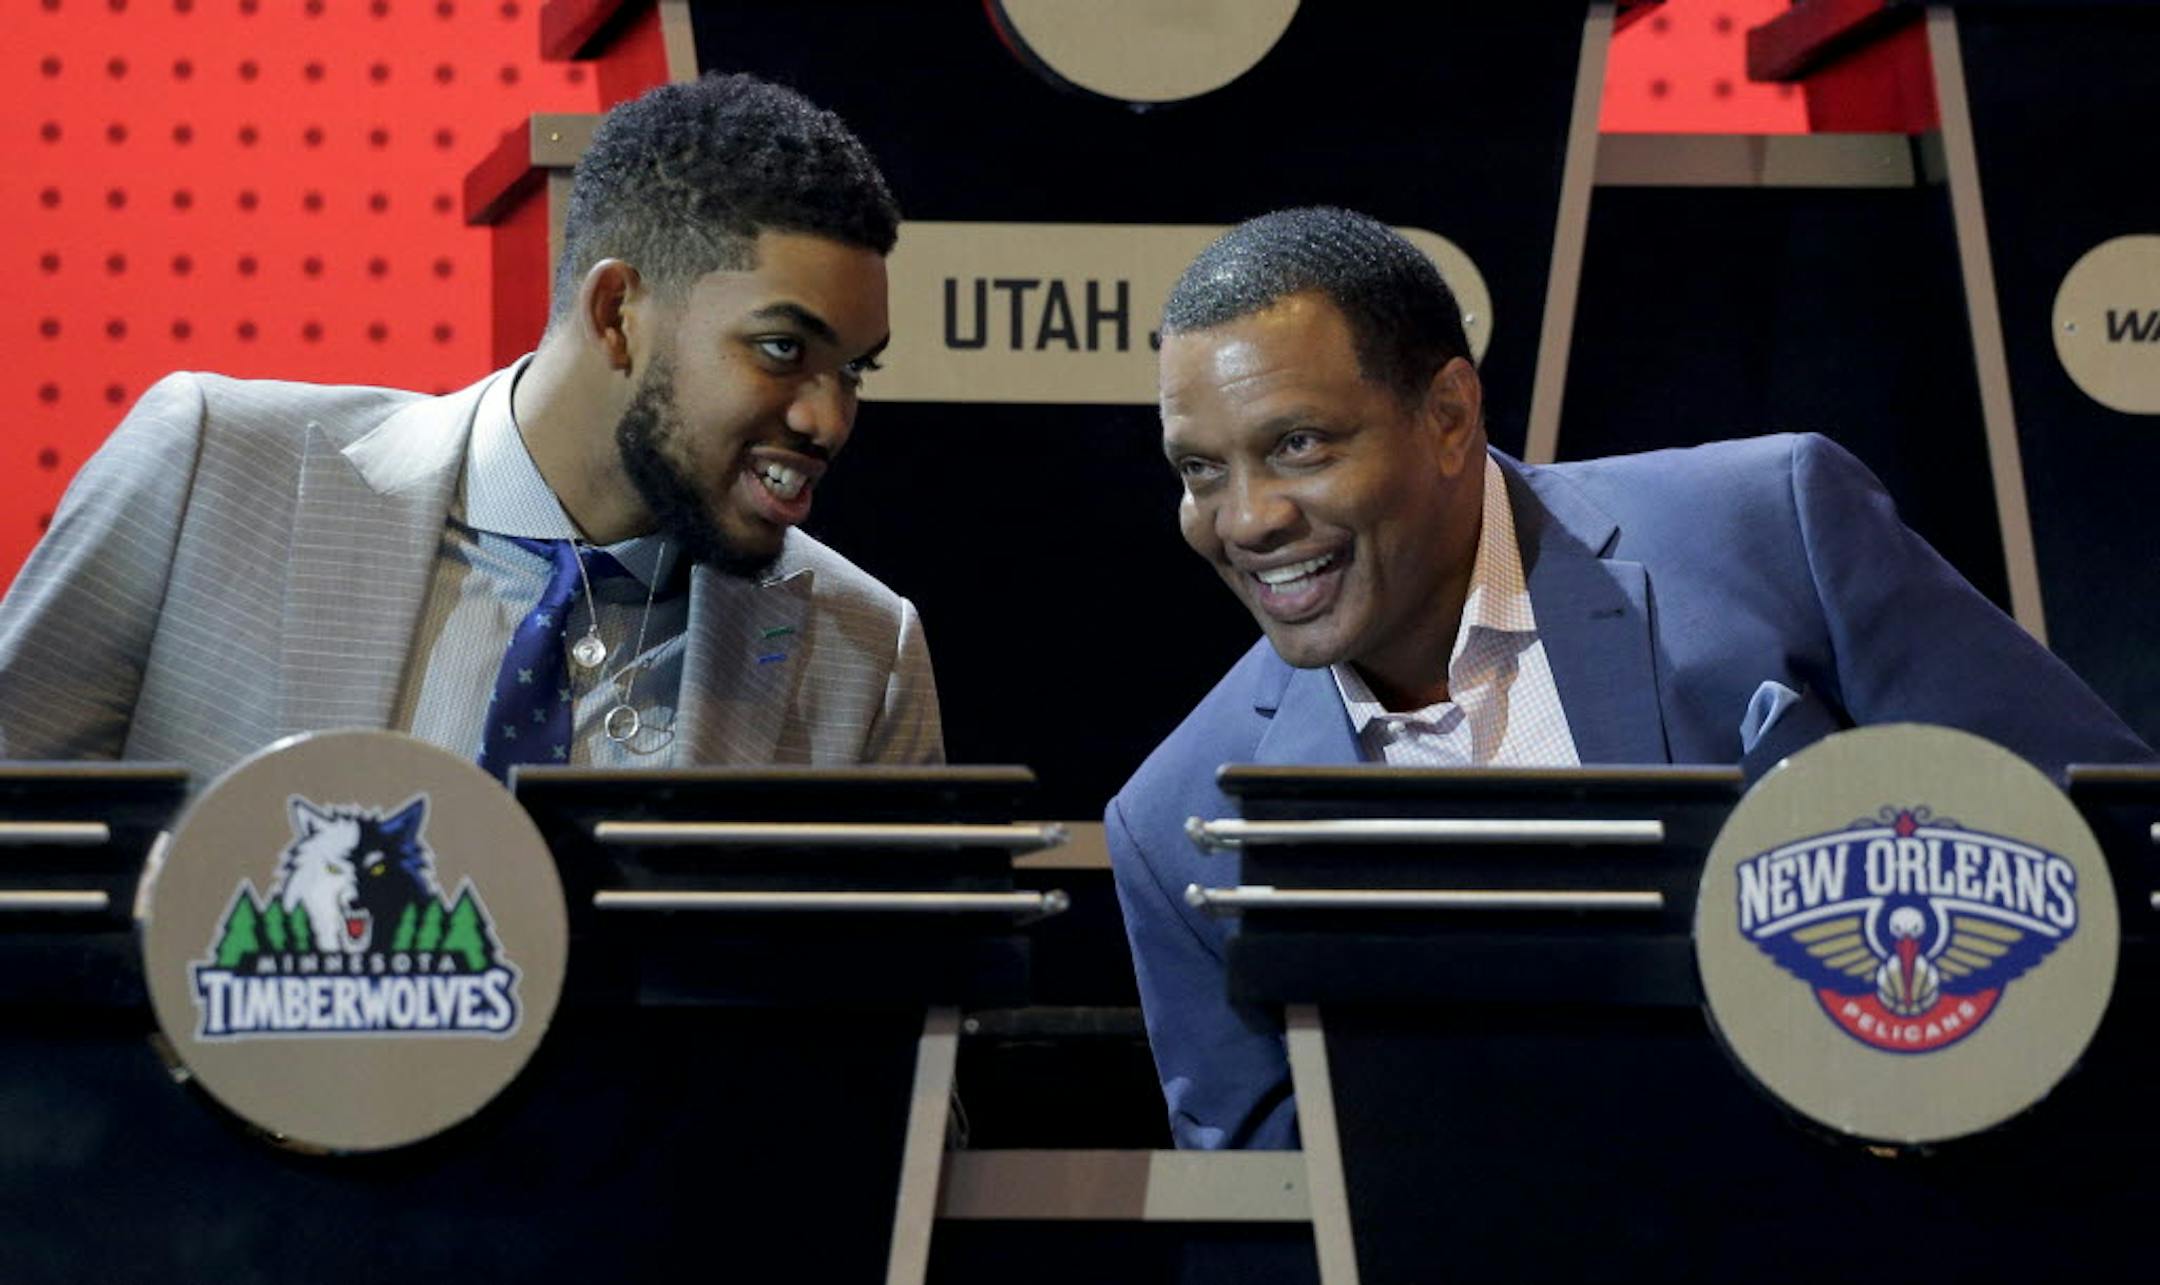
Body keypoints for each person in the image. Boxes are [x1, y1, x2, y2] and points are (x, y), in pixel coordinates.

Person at [1106, 206, 2155, 1150]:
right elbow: (1280, 1214)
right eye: (1201, 469)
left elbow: (2110, 851)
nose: (1247, 519)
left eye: (1298, 444)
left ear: (1449, 415)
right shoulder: (1179, 824)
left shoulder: (1773, 527)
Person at [0, 73, 941, 784]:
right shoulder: (212, 469)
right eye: (782, 349)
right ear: (616, 313)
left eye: (854, 369)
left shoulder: (866, 651)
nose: (828, 418)